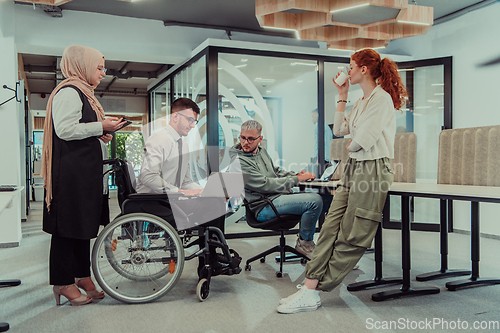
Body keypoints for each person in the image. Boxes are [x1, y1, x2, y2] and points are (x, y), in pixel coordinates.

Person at [277, 48, 407, 314]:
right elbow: (339, 132)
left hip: (373, 169)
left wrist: (352, 144)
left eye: (351, 66)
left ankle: (315, 288)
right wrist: (342, 95)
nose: (347, 70)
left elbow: (360, 142)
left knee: (353, 233)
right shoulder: (360, 102)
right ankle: (310, 287)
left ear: (363, 69)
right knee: (330, 226)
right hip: (354, 167)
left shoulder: (381, 100)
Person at [41, 45, 127, 306]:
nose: (103, 73)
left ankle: (81, 276)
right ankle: (62, 282)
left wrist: (100, 132)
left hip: (82, 174)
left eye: (103, 68)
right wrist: (101, 125)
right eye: (99, 67)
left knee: (81, 226)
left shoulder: (85, 94)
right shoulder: (69, 92)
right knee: (66, 229)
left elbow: (78, 129)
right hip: (70, 176)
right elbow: (65, 129)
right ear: (82, 65)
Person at [136, 98, 226, 273]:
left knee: (216, 199)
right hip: (153, 200)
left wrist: (203, 190)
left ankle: (212, 256)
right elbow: (147, 176)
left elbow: (185, 180)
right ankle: (209, 261)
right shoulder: (159, 139)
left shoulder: (182, 143)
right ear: (175, 116)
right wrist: (179, 192)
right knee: (213, 206)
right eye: (190, 120)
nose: (193, 126)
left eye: (195, 121)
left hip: (170, 198)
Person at [229, 120, 323, 259]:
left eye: (250, 138)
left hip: (276, 198)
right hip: (263, 206)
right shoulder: (239, 162)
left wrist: (296, 175)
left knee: (321, 198)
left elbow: (275, 172)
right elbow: (266, 184)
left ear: (260, 139)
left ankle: (324, 246)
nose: (245, 142)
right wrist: (297, 180)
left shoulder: (261, 152)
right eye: (243, 138)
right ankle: (305, 243)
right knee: (314, 201)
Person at [310, 108, 333, 175]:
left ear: (317, 115)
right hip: (327, 158)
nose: (311, 119)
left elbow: (319, 143)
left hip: (322, 158)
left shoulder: (319, 126)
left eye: (312, 116)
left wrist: (317, 158)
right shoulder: (326, 126)